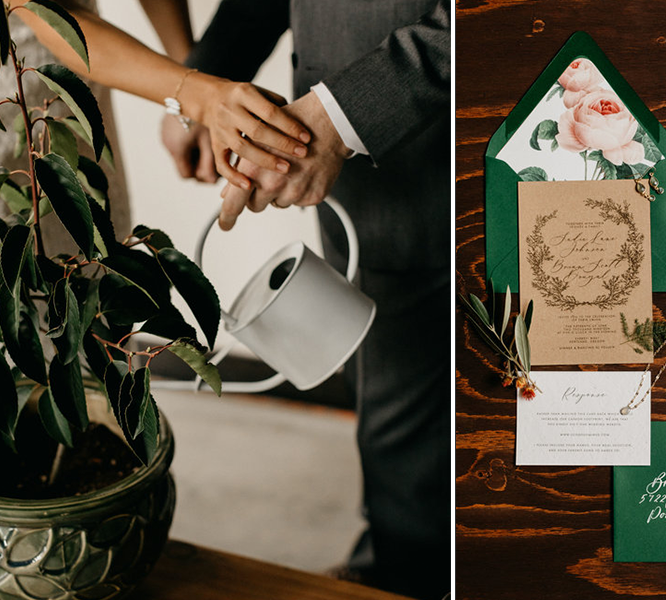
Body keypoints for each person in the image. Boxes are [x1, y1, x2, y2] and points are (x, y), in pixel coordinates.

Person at [163, 2, 451, 598]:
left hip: (496, 146)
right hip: (376, 190)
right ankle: (397, 567)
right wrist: (203, 90)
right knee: (396, 416)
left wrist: (341, 117)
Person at [9, 0, 311, 196]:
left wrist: (193, 78)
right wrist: (201, 97)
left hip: (80, 94)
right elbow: (49, 14)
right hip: (15, 105)